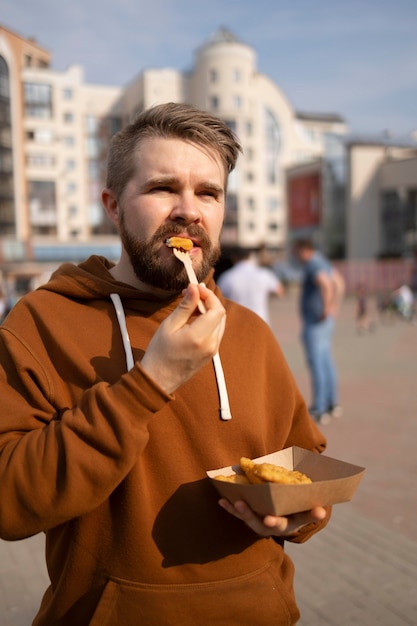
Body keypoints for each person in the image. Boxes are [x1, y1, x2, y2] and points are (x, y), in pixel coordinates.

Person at [0, 103, 330, 626]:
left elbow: (303, 456)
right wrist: (150, 383)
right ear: (113, 204)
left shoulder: (249, 330)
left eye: (208, 193)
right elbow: (9, 501)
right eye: (162, 188)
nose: (188, 211)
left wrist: (299, 517)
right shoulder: (41, 322)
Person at [293, 239, 343, 425]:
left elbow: (326, 284)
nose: (294, 255)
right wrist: (334, 307)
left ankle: (320, 408)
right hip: (324, 321)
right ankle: (332, 403)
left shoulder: (313, 264)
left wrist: (326, 307)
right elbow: (339, 282)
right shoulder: (324, 261)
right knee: (327, 361)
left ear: (304, 250)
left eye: (295, 251)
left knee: (317, 364)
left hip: (316, 321)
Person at [217, 248, 283, 324]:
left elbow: (219, 299)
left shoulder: (227, 276)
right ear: (250, 257)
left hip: (237, 322)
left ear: (234, 259)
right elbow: (280, 292)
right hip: (261, 321)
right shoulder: (264, 274)